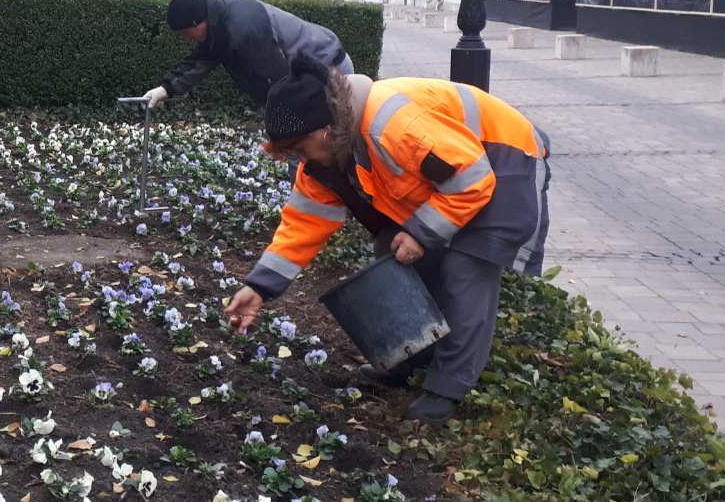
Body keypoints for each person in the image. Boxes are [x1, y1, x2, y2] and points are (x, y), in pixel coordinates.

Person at [225, 56, 551, 424]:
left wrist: (421, 232)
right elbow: (303, 224)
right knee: (393, 250)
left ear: (325, 131)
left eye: (298, 150)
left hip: (506, 159)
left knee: (466, 265)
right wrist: (259, 287)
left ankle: (447, 387)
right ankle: (409, 358)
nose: (297, 161)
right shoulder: (325, 159)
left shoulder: (393, 126)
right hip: (459, 177)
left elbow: (470, 178)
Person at [139, 0, 352, 110]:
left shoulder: (244, 30)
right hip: (311, 72)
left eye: (185, 32)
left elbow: (280, 84)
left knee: (313, 147)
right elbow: (200, 61)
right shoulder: (219, 23)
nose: (186, 39)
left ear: (197, 22)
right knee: (303, 151)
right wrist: (165, 90)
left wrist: (281, 125)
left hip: (329, 68)